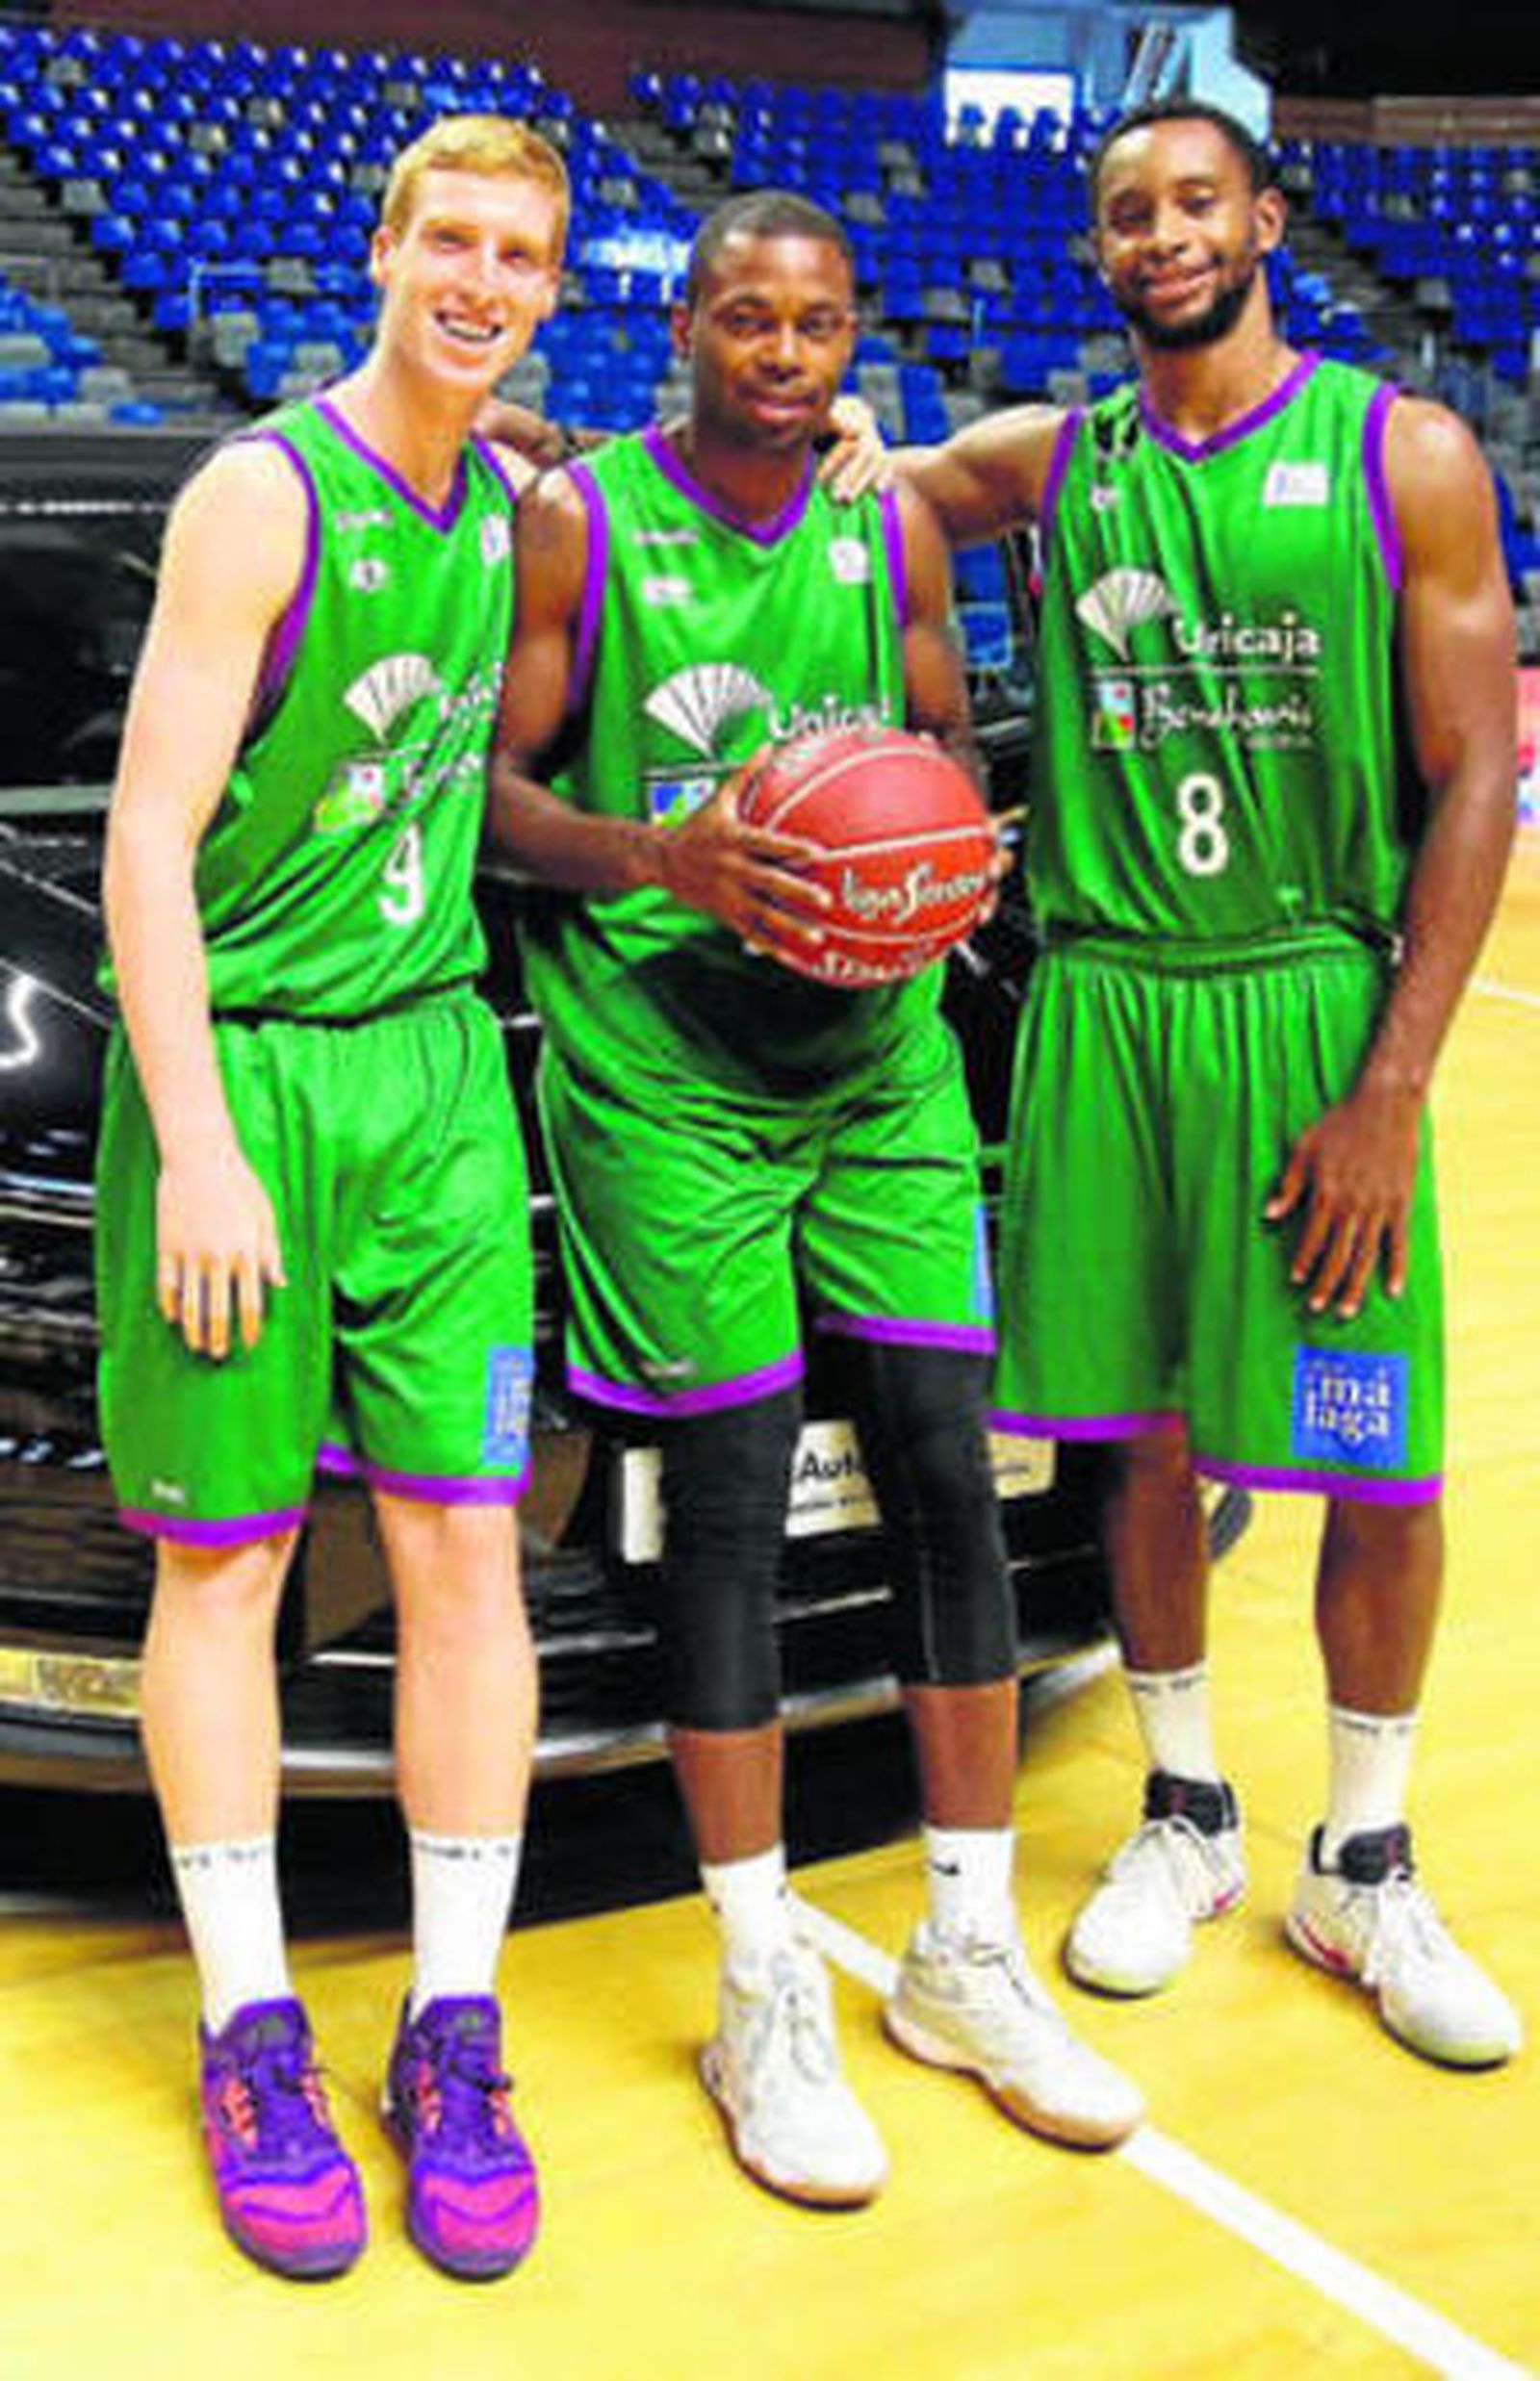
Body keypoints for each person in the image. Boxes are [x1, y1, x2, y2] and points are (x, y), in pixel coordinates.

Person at [489, 188, 1144, 2209]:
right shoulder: (578, 523)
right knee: (736, 1491)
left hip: (870, 1063)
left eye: (816, 323)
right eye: (744, 318)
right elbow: (495, 801)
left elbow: (947, 757)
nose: (780, 351)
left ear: (848, 337)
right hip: (665, 1071)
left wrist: (912, 828)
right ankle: (757, 1977)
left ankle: (960, 1946)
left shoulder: (892, 524)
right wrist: (663, 856)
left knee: (951, 1461)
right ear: (682, 324)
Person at [870, 98, 1522, 2068]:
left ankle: (1364, 1855)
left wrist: (1390, 1084)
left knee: (1374, 1454)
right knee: (1135, 1435)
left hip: (1306, 1001)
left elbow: (1479, 772)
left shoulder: (1395, 453)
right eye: (1122, 213)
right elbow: (830, 482)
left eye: (1189, 202)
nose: (1157, 236)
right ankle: (1183, 1810)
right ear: (1094, 252)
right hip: (1102, 999)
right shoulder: (1043, 464)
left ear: (1259, 214)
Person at [96, 114, 570, 2282]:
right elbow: (147, 845)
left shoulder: (517, 495)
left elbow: (757, 452)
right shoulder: (253, 495)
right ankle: (250, 2023)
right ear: (379, 252)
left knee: (469, 1551)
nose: (477, 279)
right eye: (445, 242)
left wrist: (852, 437)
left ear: (554, 290)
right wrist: (195, 1134)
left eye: (520, 256)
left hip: (438, 1074)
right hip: (256, 1080)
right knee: (231, 1568)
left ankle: (449, 2024)